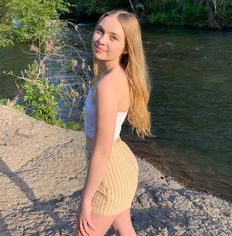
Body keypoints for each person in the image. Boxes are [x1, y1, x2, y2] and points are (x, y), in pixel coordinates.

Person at [74, 9, 152, 236]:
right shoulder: (115, 74)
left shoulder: (108, 84)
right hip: (122, 165)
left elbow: (102, 151)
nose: (101, 40)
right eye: (100, 30)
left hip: (110, 174)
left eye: (113, 37)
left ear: (127, 47)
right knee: (123, 228)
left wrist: (85, 200)